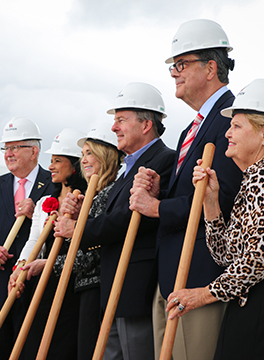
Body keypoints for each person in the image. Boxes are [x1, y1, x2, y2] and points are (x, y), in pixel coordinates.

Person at [166, 78, 264, 360]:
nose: (227, 133)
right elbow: (227, 256)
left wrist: (202, 295)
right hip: (260, 298)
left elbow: (260, 256)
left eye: (236, 125)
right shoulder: (256, 179)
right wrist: (211, 203)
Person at [129, 19, 243, 360]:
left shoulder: (232, 121)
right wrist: (162, 192)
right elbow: (191, 195)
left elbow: (221, 199)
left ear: (211, 68)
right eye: (173, 67)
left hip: (200, 276)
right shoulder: (188, 132)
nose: (175, 73)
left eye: (181, 64)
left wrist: (155, 207)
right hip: (171, 275)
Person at [65, 82, 175, 359]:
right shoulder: (129, 168)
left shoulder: (163, 160)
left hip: (137, 283)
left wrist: (80, 230)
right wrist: (81, 217)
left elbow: (131, 219)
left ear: (146, 124)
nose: (114, 128)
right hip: (114, 283)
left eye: (121, 120)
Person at [0, 117, 54, 360]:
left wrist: (37, 209)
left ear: (34, 151)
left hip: (34, 289)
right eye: (6, 148)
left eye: (16, 147)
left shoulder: (53, 184)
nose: (9, 153)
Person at [9, 128, 87, 360]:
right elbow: (34, 240)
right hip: (40, 282)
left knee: (60, 347)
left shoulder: (87, 200)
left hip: (68, 283)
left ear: (74, 165)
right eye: (50, 161)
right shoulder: (44, 201)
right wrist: (20, 267)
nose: (50, 166)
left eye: (57, 161)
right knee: (31, 344)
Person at [53, 123, 123, 360]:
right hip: (84, 285)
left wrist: (50, 265)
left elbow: (95, 251)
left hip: (97, 286)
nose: (83, 160)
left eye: (90, 153)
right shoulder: (93, 195)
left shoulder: (109, 192)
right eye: (83, 154)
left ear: (107, 155)